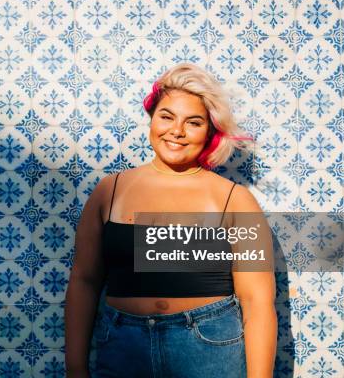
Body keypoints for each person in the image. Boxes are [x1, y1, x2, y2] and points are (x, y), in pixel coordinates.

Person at [64, 63, 277, 377]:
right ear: (152, 120)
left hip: (207, 351)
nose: (176, 131)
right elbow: (85, 280)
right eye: (167, 117)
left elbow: (256, 301)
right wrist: (75, 368)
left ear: (209, 132)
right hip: (124, 349)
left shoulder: (234, 200)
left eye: (193, 122)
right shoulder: (110, 190)